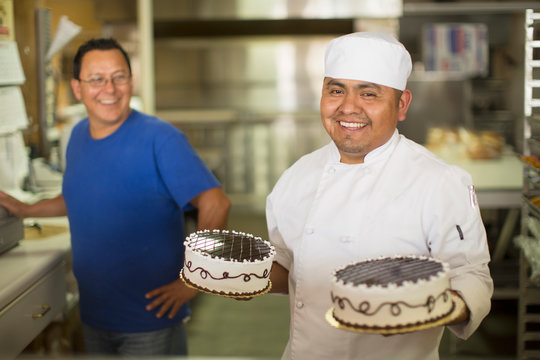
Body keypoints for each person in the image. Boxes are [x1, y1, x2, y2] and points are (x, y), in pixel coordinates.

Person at [266, 32, 493, 360]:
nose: (348, 107)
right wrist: (239, 277)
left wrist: (427, 307)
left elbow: (471, 277)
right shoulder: (297, 176)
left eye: (368, 94)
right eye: (336, 90)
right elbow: (289, 263)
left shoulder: (440, 181)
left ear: (401, 105)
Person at [0, 38, 230, 356]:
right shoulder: (78, 135)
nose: (109, 88)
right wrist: (26, 210)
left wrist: (195, 277)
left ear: (130, 82)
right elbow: (79, 196)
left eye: (118, 76)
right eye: (96, 79)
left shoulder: (160, 139)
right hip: (95, 314)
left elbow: (216, 202)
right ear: (77, 88)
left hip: (151, 321)